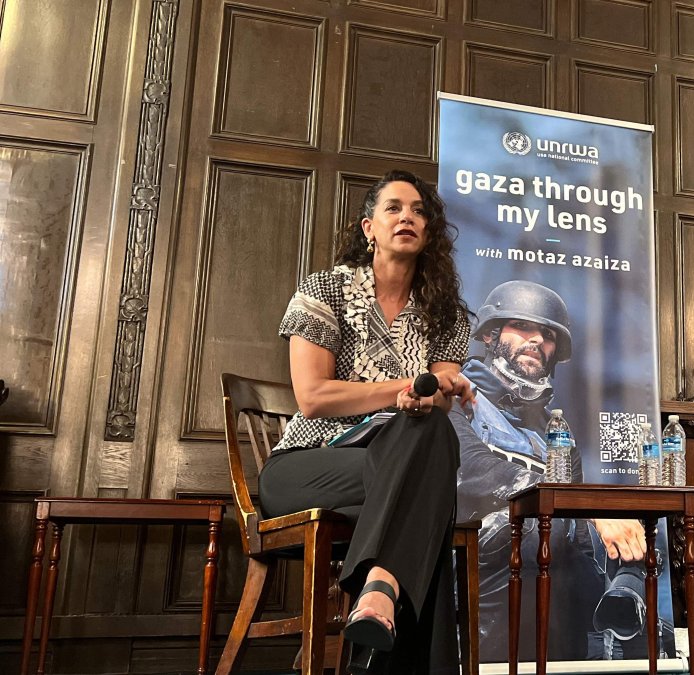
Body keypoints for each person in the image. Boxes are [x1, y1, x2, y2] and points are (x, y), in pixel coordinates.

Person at [257, 170, 475, 674]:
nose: (407, 217)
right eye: (394, 208)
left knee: (432, 441)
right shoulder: (325, 290)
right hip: (307, 467)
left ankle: (379, 592)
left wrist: (441, 389)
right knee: (428, 490)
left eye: (419, 211)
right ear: (368, 227)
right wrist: (403, 389)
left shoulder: (446, 312)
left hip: (389, 467)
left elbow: (439, 392)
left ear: (430, 231)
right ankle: (389, 617)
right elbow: (313, 398)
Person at [450, 280, 665, 662]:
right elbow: (473, 470)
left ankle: (623, 619)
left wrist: (608, 526)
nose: (536, 340)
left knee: (640, 528)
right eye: (523, 328)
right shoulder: (456, 400)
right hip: (472, 553)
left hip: (548, 553)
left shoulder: (553, 432)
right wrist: (584, 506)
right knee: (538, 529)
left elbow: (580, 528)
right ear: (491, 334)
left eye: (547, 335)